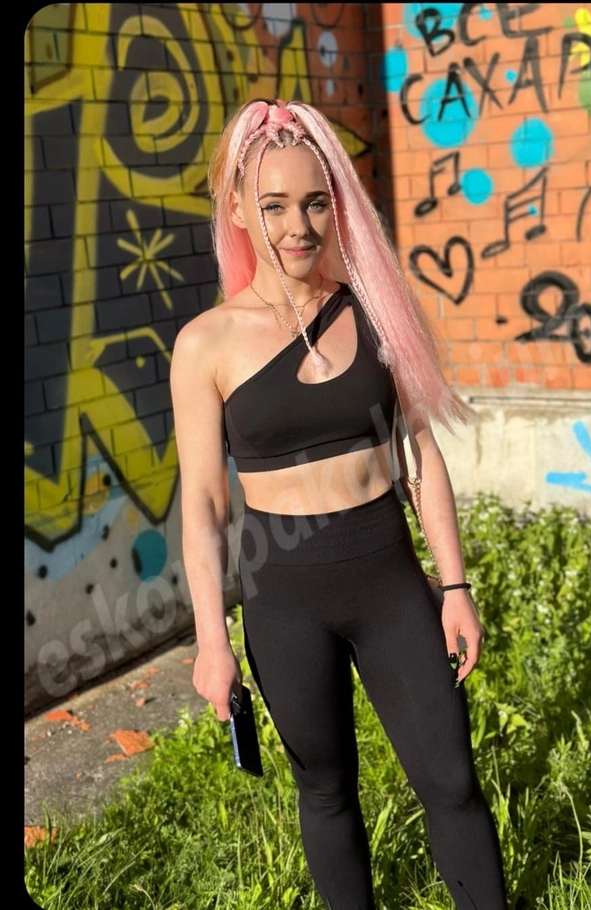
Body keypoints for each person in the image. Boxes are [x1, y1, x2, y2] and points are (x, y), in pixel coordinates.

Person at [170, 98, 508, 910]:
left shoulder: (374, 306)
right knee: (325, 792)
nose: (299, 226)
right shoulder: (206, 343)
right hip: (285, 600)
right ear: (238, 209)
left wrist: (454, 586)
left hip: (389, 582)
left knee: (452, 780)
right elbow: (205, 510)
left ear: (337, 205)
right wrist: (212, 643)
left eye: (316, 202)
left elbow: (420, 456)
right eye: (274, 205)